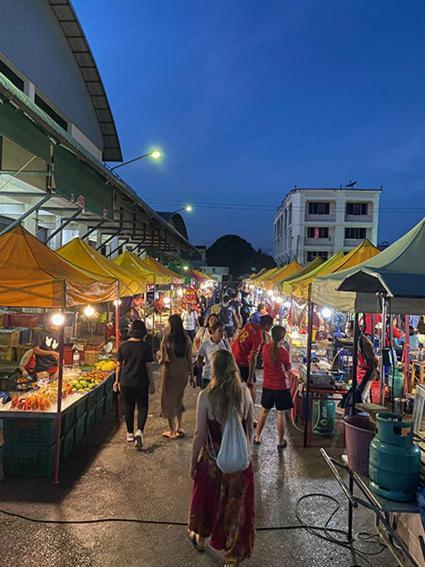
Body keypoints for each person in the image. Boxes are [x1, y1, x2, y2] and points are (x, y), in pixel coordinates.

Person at [188, 349, 255, 564]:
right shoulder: (244, 393)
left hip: (212, 461)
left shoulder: (206, 396)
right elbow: (250, 428)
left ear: (214, 370)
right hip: (239, 463)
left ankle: (200, 539)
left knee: (207, 502)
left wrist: (193, 462)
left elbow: (199, 434)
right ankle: (232, 558)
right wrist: (248, 452)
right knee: (236, 509)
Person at [114, 320, 155, 450]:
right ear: (143, 331)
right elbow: (148, 367)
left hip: (126, 381)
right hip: (141, 381)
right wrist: (152, 383)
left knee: (128, 406)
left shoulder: (123, 346)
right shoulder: (146, 347)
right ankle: (140, 431)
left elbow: (119, 365)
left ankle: (130, 433)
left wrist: (117, 381)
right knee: (143, 406)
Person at [254, 326, 293, 449]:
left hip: (268, 386)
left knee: (264, 411)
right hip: (281, 386)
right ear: (283, 337)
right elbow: (288, 368)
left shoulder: (266, 348)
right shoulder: (284, 352)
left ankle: (257, 437)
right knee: (280, 414)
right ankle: (280, 442)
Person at [158, 314, 194, 439]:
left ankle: (172, 431)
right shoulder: (187, 339)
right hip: (183, 374)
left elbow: (163, 361)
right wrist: (193, 376)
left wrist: (158, 357)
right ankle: (179, 427)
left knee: (168, 401)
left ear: (172, 325)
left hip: (171, 374)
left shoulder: (166, 340)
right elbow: (190, 359)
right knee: (179, 399)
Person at [232, 314, 274, 395]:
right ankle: (251, 405)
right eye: (271, 326)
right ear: (266, 325)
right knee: (251, 385)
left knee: (236, 383)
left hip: (234, 355)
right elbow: (253, 357)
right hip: (242, 360)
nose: (271, 328)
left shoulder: (249, 325)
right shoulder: (258, 336)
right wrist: (250, 377)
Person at [197, 322, 230, 389]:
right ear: (213, 332)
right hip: (208, 377)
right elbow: (199, 359)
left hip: (221, 378)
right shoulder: (205, 344)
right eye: (219, 331)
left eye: (223, 331)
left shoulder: (225, 343)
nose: (222, 333)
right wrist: (207, 366)